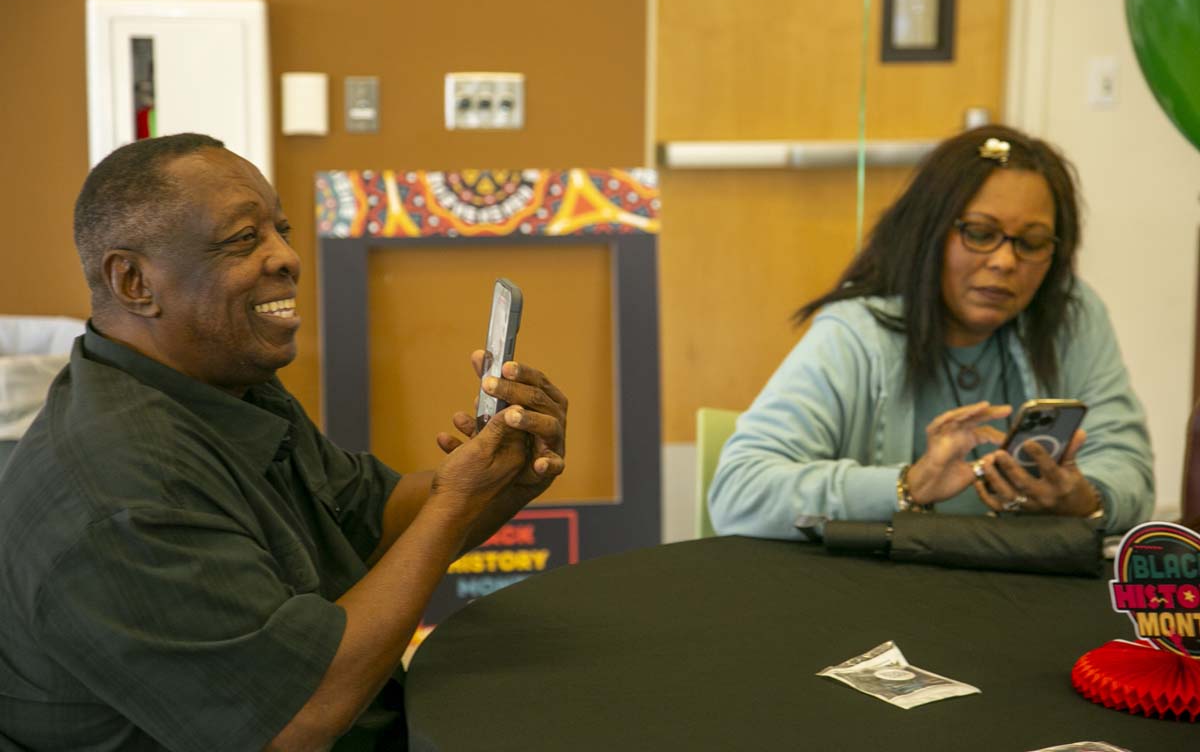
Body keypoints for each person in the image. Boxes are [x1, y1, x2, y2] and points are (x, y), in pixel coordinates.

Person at [0, 133, 568, 750]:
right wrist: (457, 500)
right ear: (135, 282)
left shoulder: (225, 384)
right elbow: (296, 718)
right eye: (244, 239)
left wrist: (501, 470)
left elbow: (374, 522)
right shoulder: (117, 494)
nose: (286, 257)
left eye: (281, 230)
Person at [708, 125, 1153, 540]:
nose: (1004, 262)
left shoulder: (1070, 316)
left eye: (1032, 243)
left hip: (1024, 594)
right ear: (929, 233)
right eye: (980, 234)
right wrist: (906, 486)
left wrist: (1084, 499)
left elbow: (1129, 469)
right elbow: (739, 492)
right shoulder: (856, 332)